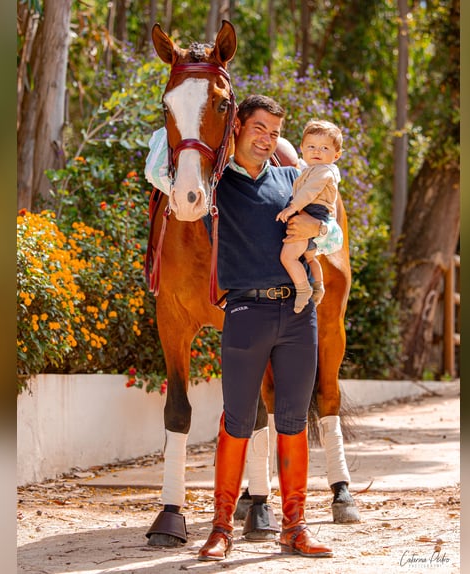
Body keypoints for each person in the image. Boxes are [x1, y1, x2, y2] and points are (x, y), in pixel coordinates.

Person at [196, 95, 340, 561]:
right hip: (244, 313)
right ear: (238, 125)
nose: (267, 138)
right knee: (236, 421)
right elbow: (162, 165)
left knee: (295, 422)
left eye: (275, 132)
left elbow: (333, 232)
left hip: (298, 315)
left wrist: (316, 230)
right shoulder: (214, 184)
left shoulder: (292, 180)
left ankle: (294, 527)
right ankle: (221, 529)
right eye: (259, 128)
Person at [276, 120, 343, 313]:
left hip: (312, 212)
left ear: (336, 155)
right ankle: (318, 285)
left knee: (288, 257)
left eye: (324, 148)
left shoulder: (324, 172)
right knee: (310, 257)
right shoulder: (312, 169)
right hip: (315, 212)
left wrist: (292, 208)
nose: (317, 152)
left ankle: (303, 289)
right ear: (302, 148)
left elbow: (309, 192)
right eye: (311, 146)